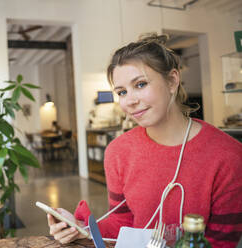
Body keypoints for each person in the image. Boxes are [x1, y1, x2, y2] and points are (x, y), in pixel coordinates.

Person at [47, 34, 242, 248]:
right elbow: (123, 224)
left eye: (140, 84)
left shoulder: (228, 155)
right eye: (122, 92)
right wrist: (79, 227)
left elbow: (222, 242)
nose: (130, 101)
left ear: (172, 81)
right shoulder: (118, 152)